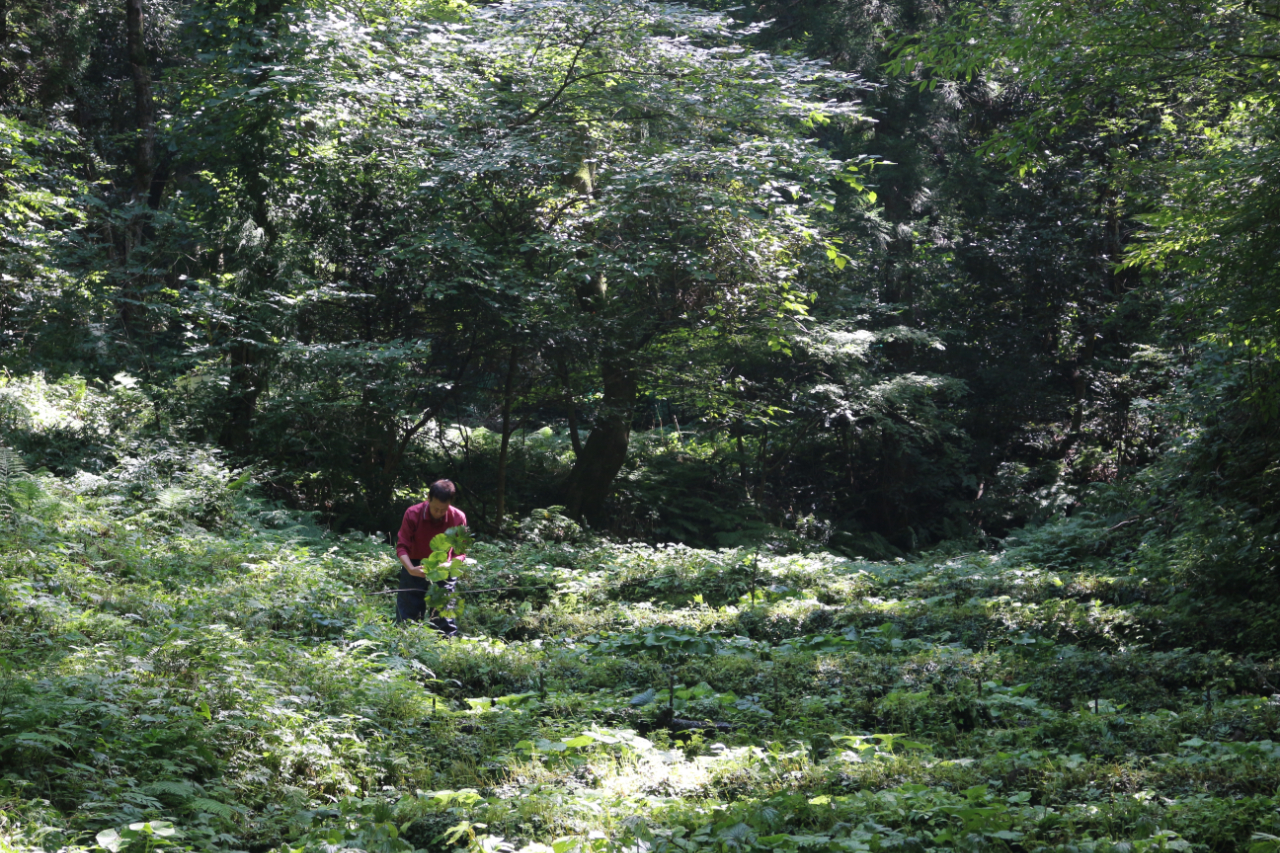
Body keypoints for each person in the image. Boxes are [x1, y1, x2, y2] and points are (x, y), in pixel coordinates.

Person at [394, 479, 467, 635]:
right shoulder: (413, 513)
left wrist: (449, 565)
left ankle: (444, 649)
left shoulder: (458, 518)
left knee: (444, 613)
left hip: (444, 566)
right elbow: (402, 546)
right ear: (428, 499)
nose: (439, 513)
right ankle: (405, 646)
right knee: (408, 612)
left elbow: (460, 552)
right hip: (414, 563)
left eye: (443, 509)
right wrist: (411, 569)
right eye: (435, 509)